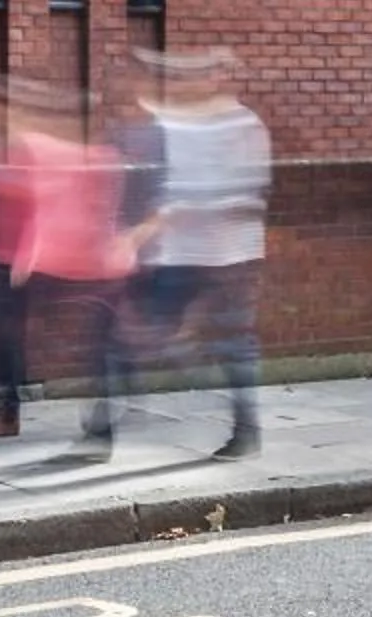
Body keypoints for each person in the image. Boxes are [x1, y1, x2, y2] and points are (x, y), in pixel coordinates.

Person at [114, 49, 271, 458]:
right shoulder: (178, 125)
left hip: (228, 254)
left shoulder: (242, 124)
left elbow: (240, 192)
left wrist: (150, 228)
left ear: (221, 78)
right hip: (183, 252)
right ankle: (119, 414)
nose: (187, 82)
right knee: (141, 330)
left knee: (232, 342)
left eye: (200, 74)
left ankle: (244, 429)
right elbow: (160, 176)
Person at [0, 80, 131, 441]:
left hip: (22, 263)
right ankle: (13, 413)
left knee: (14, 339)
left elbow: (43, 208)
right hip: (12, 256)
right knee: (9, 339)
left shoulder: (35, 148)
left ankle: (14, 414)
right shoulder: (15, 147)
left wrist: (27, 257)